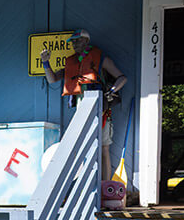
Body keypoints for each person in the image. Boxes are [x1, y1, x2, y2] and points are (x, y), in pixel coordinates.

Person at [41, 29, 127, 180]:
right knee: (83, 148)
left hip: (101, 111)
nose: (74, 44)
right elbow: (52, 79)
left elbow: (122, 78)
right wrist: (45, 62)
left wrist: (112, 91)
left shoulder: (100, 58)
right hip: (81, 113)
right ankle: (87, 183)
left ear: (86, 41)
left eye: (78, 40)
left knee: (104, 149)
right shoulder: (71, 62)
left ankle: (105, 185)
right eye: (73, 42)